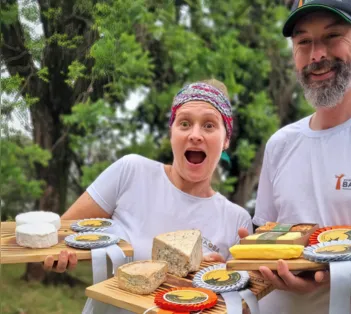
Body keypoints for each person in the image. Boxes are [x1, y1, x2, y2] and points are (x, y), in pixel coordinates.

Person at [44, 79, 253, 313]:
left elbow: (240, 307)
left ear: (226, 140)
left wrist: (224, 286)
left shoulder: (237, 220)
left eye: (209, 126)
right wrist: (58, 256)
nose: (195, 135)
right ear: (171, 133)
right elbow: (60, 235)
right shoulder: (130, 172)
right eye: (184, 123)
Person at [244, 0, 351, 313]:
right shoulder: (280, 144)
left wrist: (339, 271)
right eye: (304, 42)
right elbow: (267, 241)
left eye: (332, 37)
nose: (317, 55)